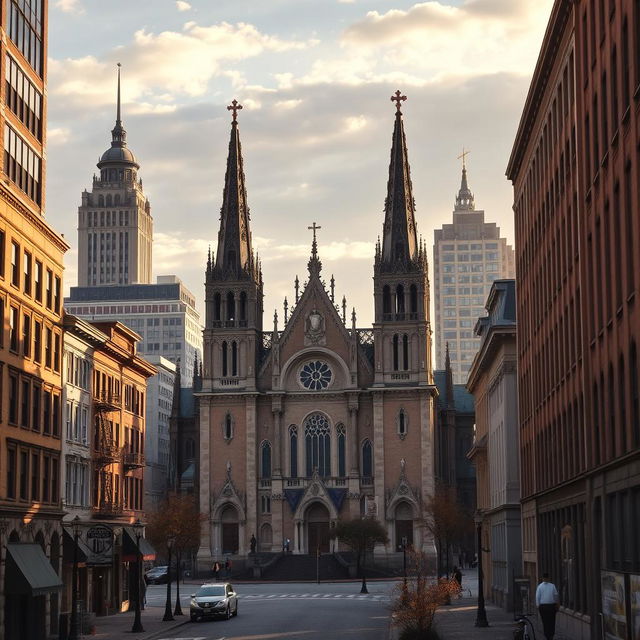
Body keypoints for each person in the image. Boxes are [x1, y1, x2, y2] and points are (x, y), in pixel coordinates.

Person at [536, 572, 559, 640]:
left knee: (545, 621)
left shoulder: (539, 586)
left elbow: (537, 597)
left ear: (542, 578)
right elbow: (556, 596)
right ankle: (551, 634)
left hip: (543, 607)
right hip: (551, 606)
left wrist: (538, 605)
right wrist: (557, 604)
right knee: (552, 621)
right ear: (548, 578)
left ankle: (547, 635)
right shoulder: (552, 586)